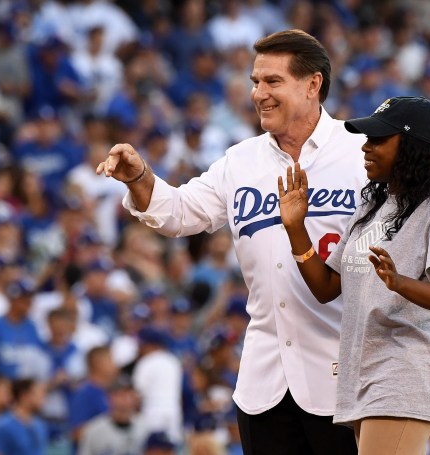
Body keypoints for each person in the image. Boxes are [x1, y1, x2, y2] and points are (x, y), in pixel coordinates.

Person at [97, 29, 366, 453]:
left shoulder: (361, 153)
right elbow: (179, 212)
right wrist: (139, 176)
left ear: (313, 84)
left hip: (347, 376)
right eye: (256, 81)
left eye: (273, 81)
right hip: (265, 380)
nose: (259, 93)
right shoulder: (241, 160)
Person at [277, 96, 430, 454]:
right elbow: (326, 287)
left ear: (411, 146)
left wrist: (400, 283)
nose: (366, 147)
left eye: (379, 139)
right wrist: (295, 229)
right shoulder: (371, 207)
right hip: (363, 375)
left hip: (404, 374)